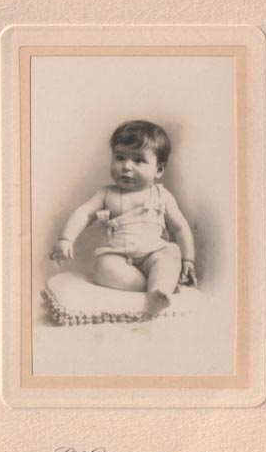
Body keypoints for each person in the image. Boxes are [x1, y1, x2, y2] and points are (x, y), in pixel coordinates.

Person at [50, 120, 197, 315]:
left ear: (159, 170)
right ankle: (151, 289)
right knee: (103, 268)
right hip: (118, 256)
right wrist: (65, 239)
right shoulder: (106, 194)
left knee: (169, 257)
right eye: (120, 157)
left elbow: (180, 228)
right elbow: (84, 213)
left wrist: (188, 260)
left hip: (154, 254)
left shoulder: (162, 196)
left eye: (138, 160)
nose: (126, 167)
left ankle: (159, 288)